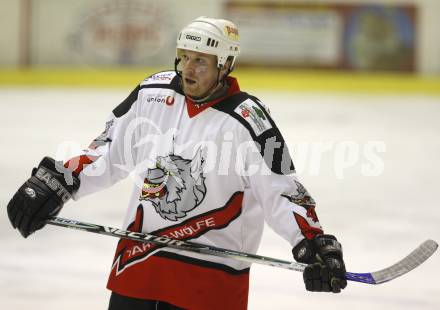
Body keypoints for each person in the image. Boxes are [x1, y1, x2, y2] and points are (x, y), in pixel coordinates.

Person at [6, 16, 347, 310]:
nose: (187, 69)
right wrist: (61, 179)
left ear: (224, 65)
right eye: (183, 57)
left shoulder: (252, 121)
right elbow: (109, 150)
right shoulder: (151, 94)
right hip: (139, 261)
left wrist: (312, 241)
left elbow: (282, 188)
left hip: (211, 277)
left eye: (200, 60)